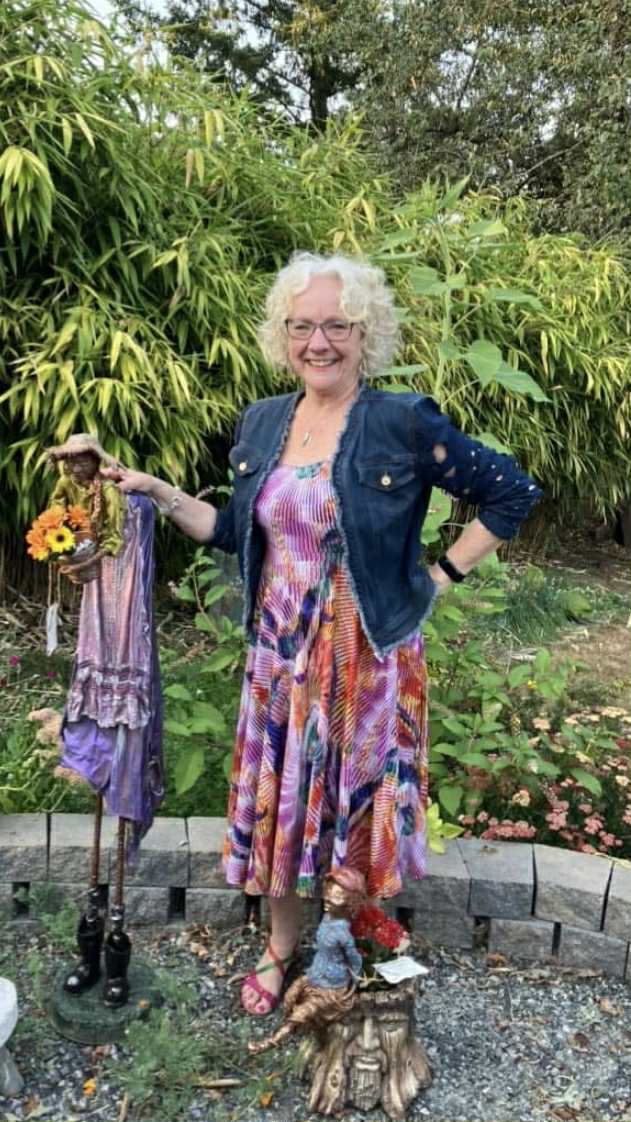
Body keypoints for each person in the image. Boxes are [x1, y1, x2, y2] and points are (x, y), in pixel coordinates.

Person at [102, 251, 541, 1016]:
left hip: (365, 654)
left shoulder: (401, 421)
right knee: (280, 800)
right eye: (301, 326)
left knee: (358, 804)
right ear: (283, 336)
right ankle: (279, 948)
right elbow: (233, 530)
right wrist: (158, 491)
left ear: (365, 334)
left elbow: (511, 492)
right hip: (279, 657)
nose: (318, 342)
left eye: (337, 325)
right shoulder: (263, 422)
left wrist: (440, 577)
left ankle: (343, 941)